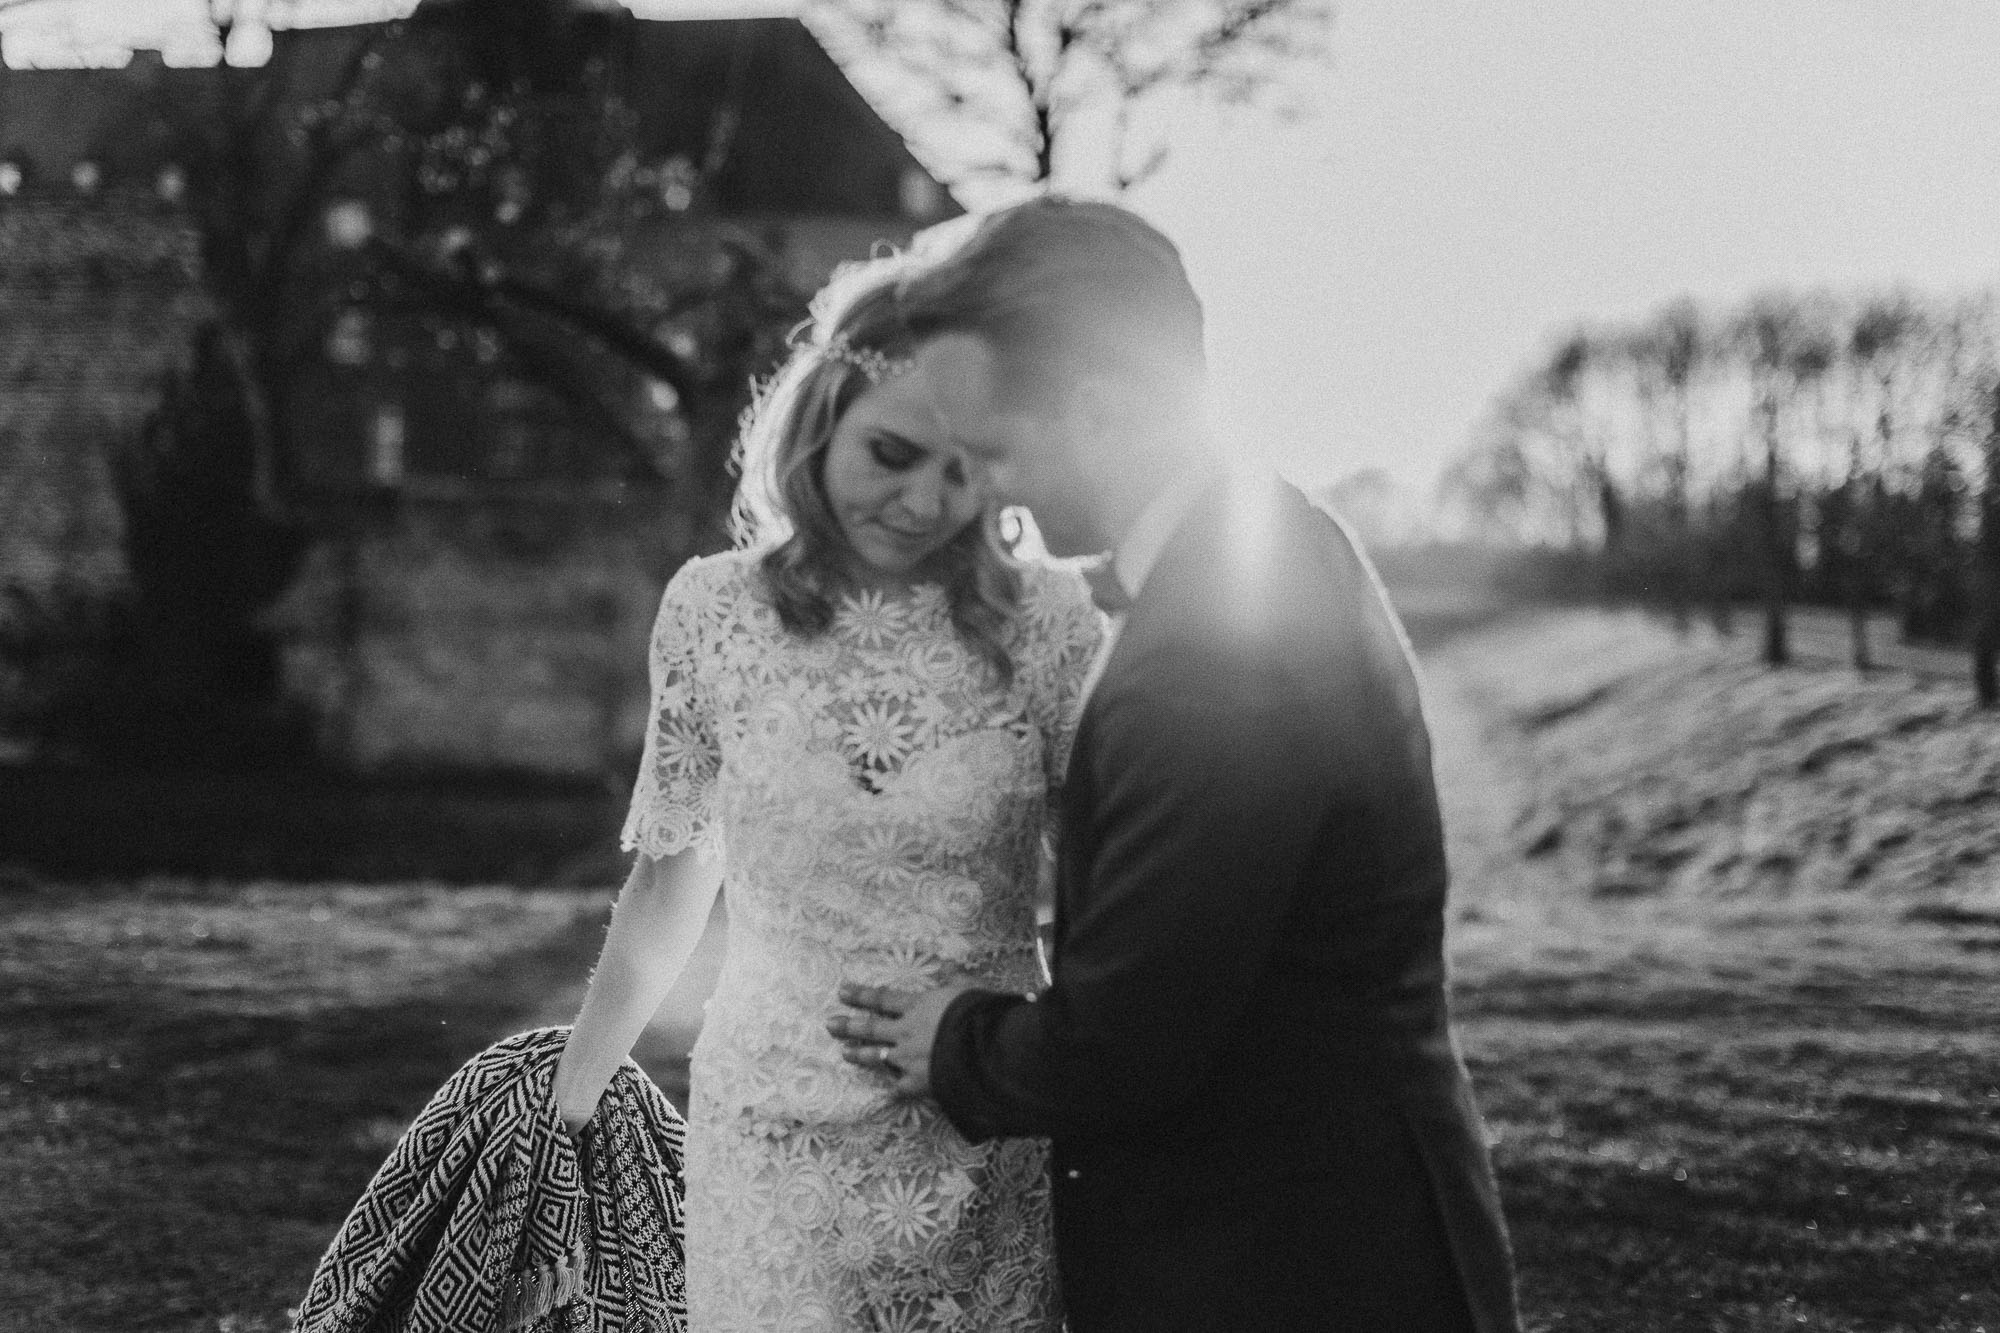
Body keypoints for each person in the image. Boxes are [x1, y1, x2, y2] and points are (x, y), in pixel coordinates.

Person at [828, 196, 1523, 1332]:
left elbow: (1123, 1043)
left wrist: (952, 1039)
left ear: (1097, 409)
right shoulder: (1271, 536)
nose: (985, 490)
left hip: (1292, 1268)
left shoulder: (1215, 642)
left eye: (996, 447)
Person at [550, 245, 1100, 1332]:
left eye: (960, 471)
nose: (921, 503)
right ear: (816, 424)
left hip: (976, 1122)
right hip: (767, 1126)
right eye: (890, 454)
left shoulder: (1048, 624)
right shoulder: (711, 613)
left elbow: (1102, 883)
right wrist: (575, 1083)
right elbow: (672, 877)